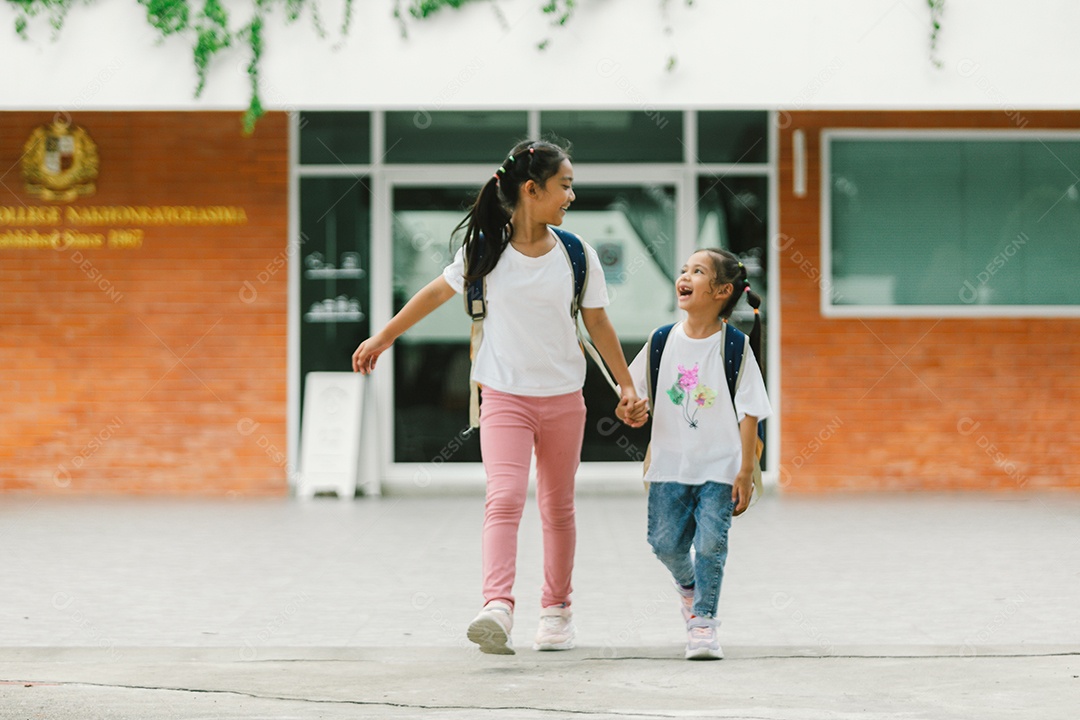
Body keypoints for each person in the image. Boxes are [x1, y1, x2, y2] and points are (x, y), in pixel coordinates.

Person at [352, 140, 649, 655]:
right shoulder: (485, 250)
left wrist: (627, 385)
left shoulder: (576, 254)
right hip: (504, 396)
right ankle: (497, 607)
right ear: (532, 189)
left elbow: (598, 322)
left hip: (563, 398)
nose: (572, 196)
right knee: (505, 498)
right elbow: (435, 292)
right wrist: (384, 337)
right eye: (565, 186)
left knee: (557, 507)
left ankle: (556, 611)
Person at [617, 248, 771, 660]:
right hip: (670, 464)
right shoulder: (661, 340)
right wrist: (630, 410)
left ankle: (703, 622)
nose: (684, 276)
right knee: (665, 543)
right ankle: (687, 586)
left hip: (720, 468)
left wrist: (745, 470)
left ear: (722, 291)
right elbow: (632, 396)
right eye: (684, 269)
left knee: (710, 547)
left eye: (697, 271)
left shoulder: (735, 346)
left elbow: (750, 412)